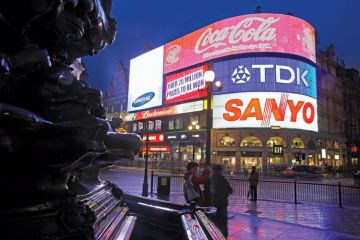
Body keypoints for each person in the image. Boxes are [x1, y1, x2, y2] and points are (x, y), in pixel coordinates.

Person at [210, 164, 233, 238]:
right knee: (222, 223)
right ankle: (223, 236)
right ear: (220, 171)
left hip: (214, 204)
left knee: (215, 223)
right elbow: (229, 190)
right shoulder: (222, 179)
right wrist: (225, 194)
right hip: (222, 203)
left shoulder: (211, 179)